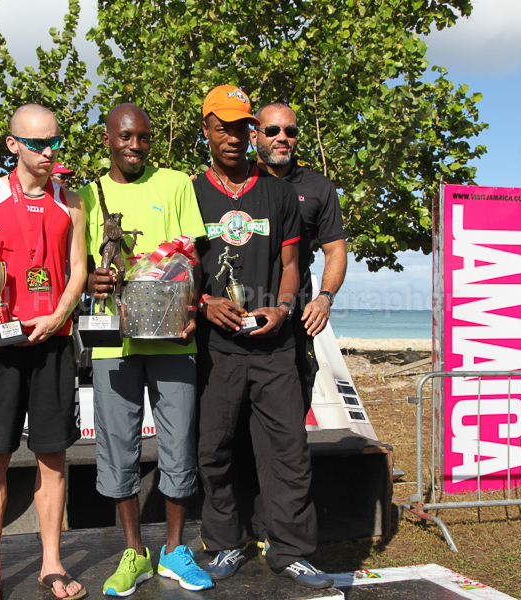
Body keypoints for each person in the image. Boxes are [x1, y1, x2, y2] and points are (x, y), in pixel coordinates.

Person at [193, 85, 333, 590]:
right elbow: (181, 267)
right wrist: (204, 303)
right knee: (214, 450)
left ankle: (291, 551)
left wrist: (283, 307)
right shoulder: (191, 192)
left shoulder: (279, 194)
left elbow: (292, 265)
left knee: (288, 451)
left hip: (275, 348)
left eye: (242, 127)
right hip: (216, 349)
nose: (234, 136)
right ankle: (226, 543)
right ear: (207, 130)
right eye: (224, 127)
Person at [0, 103, 87, 600]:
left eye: (55, 142)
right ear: (13, 144)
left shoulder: (71, 201)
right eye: (37, 143)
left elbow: (78, 270)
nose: (49, 152)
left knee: (53, 458)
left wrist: (59, 314)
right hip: (1, 344)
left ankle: (51, 563)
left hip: (52, 342)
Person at [79, 103, 213, 596]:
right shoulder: (87, 196)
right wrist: (91, 282)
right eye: (125, 137)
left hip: (173, 338)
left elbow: (194, 256)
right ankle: (134, 552)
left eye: (143, 137)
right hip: (113, 342)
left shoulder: (176, 184)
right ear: (108, 139)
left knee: (179, 445)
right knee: (118, 447)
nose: (135, 146)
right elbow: (80, 267)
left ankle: (174, 551)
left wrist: (192, 307)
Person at [252, 102, 347, 414]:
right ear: (254, 136)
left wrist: (325, 297)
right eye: (272, 130)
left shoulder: (319, 187)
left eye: (290, 131)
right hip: (240, 314)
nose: (282, 137)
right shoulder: (234, 181)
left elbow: (335, 250)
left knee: (290, 418)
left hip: (296, 319)